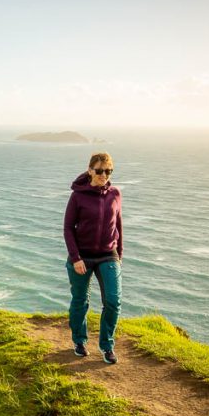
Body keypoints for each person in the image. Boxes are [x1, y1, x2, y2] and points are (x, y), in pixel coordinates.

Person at [63, 152, 123, 364]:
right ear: (90, 170)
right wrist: (75, 257)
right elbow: (68, 228)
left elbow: (118, 225)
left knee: (113, 301)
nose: (103, 175)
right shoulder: (78, 195)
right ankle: (79, 341)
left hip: (108, 255)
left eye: (108, 171)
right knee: (80, 301)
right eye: (99, 171)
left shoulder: (115, 194)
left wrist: (119, 256)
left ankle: (107, 346)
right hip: (82, 256)